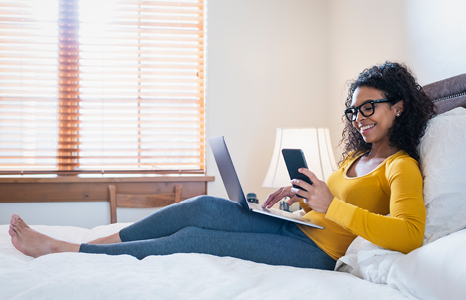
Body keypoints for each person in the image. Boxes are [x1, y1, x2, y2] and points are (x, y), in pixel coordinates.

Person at [8, 62, 435, 270]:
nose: (359, 118)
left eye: (369, 108)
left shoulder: (401, 168)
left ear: (398, 107)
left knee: (196, 237)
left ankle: (73, 250)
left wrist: (332, 205)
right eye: (353, 111)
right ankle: (102, 243)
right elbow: (332, 208)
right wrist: (305, 198)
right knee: (204, 208)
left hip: (318, 252)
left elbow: (410, 235)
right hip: (302, 227)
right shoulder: (356, 158)